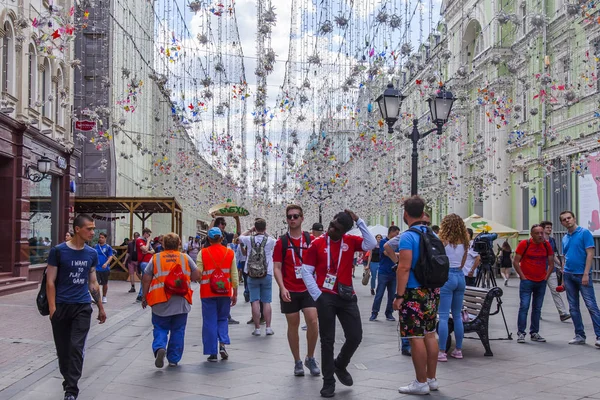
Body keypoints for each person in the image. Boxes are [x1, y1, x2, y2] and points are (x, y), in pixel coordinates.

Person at [301, 209, 376, 398]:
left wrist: (359, 220)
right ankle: (328, 382)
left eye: (337, 228)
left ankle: (340, 364)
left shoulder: (350, 241)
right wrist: (318, 295)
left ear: (345, 231)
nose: (331, 229)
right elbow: (305, 271)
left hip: (346, 295)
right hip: (325, 296)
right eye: (332, 224)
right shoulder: (317, 244)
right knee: (327, 340)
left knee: (355, 336)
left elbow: (372, 243)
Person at [46, 214, 107, 400]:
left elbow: (93, 282)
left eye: (94, 229)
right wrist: (52, 309)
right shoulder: (58, 251)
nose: (92, 232)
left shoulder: (91, 253)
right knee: (63, 350)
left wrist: (100, 307)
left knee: (75, 347)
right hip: (62, 306)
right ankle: (68, 381)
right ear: (77, 229)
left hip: (82, 307)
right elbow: (50, 281)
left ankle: (71, 390)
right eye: (89, 228)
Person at [392, 196, 440, 395]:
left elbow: (403, 267)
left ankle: (420, 382)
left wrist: (399, 295)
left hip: (413, 292)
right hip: (431, 291)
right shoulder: (432, 234)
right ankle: (432, 378)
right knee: (430, 334)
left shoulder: (407, 236)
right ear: (423, 213)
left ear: (405, 214)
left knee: (415, 337)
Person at [273, 204, 320, 377]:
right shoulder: (281, 242)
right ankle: (297, 361)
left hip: (308, 289)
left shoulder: (310, 240)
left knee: (313, 321)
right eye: (289, 216)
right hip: (290, 289)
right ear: (286, 219)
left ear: (302, 218)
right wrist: (282, 287)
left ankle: (310, 357)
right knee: (292, 324)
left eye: (296, 216)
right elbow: (277, 267)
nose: (292, 219)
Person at [142, 233, 200, 368]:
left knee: (160, 327)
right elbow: (197, 274)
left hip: (160, 299)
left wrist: (144, 296)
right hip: (180, 299)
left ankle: (160, 347)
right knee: (178, 329)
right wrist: (185, 279)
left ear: (163, 244)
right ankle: (173, 359)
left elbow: (146, 278)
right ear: (179, 244)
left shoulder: (156, 258)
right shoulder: (184, 257)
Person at [197, 227, 238, 361]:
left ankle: (212, 353)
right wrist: (235, 292)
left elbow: (199, 273)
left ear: (208, 239)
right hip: (225, 291)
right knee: (223, 319)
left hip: (207, 292)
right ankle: (222, 345)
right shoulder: (229, 253)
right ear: (221, 238)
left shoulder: (203, 253)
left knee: (209, 321)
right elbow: (234, 275)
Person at [560, 211, 600, 347]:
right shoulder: (565, 237)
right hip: (568, 275)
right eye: (564, 220)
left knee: (591, 306)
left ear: (574, 218)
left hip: (582, 275)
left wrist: (586, 274)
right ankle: (579, 335)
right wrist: (563, 278)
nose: (567, 221)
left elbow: (590, 254)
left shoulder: (584, 233)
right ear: (562, 223)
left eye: (569, 218)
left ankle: (599, 336)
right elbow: (565, 257)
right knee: (573, 307)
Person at [513, 224, 554, 343]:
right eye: (538, 233)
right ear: (531, 234)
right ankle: (521, 332)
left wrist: (546, 277)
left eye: (542, 233)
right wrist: (523, 277)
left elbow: (551, 263)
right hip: (527, 281)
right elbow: (516, 262)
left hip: (541, 281)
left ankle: (534, 332)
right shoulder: (524, 244)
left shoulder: (546, 245)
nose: (541, 235)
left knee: (537, 308)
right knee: (524, 307)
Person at [437, 214, 469, 362]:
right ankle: (458, 350)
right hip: (460, 276)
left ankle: (442, 351)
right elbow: (462, 263)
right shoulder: (465, 242)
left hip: (447, 276)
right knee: (457, 316)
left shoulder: (442, 241)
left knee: (443, 316)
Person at [239, 218, 277, 336]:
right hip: (267, 273)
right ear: (265, 228)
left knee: (254, 300)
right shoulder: (270, 241)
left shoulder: (249, 239)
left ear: (255, 228)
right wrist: (265, 233)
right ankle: (268, 328)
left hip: (251, 274)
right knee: (266, 301)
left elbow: (240, 237)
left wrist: (250, 230)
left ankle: (257, 329)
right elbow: (277, 241)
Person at [383, 227, 411, 356]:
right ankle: (406, 344)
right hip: (413, 283)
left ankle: (409, 344)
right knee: (406, 315)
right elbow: (387, 246)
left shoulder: (408, 236)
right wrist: (398, 261)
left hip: (416, 282)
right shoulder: (410, 235)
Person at [540, 220, 571, 322]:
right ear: (543, 229)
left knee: (555, 291)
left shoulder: (552, 240)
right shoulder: (538, 239)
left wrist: (561, 265)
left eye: (550, 227)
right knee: (540, 293)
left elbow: (553, 255)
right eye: (547, 227)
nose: (549, 229)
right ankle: (537, 312)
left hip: (551, 269)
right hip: (540, 270)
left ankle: (562, 313)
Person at [370, 226, 400, 322]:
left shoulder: (397, 243)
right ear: (391, 232)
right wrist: (399, 254)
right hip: (383, 272)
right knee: (379, 293)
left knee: (392, 295)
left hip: (394, 273)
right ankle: (374, 313)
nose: (397, 235)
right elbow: (386, 253)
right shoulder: (383, 242)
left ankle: (389, 313)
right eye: (396, 233)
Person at [136, 228, 155, 301]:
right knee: (145, 278)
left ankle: (142, 294)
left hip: (149, 261)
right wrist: (148, 242)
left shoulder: (146, 241)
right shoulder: (139, 240)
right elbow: (145, 249)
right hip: (144, 262)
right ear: (145, 233)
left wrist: (147, 251)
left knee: (145, 278)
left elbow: (152, 251)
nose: (149, 236)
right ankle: (141, 294)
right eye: (148, 234)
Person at [94, 233, 114, 304]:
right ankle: (97, 297)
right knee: (96, 283)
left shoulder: (108, 247)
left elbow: (110, 256)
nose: (100, 239)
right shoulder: (95, 246)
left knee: (104, 283)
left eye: (102, 237)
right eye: (100, 237)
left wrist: (106, 263)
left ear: (105, 238)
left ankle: (104, 296)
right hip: (96, 268)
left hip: (104, 268)